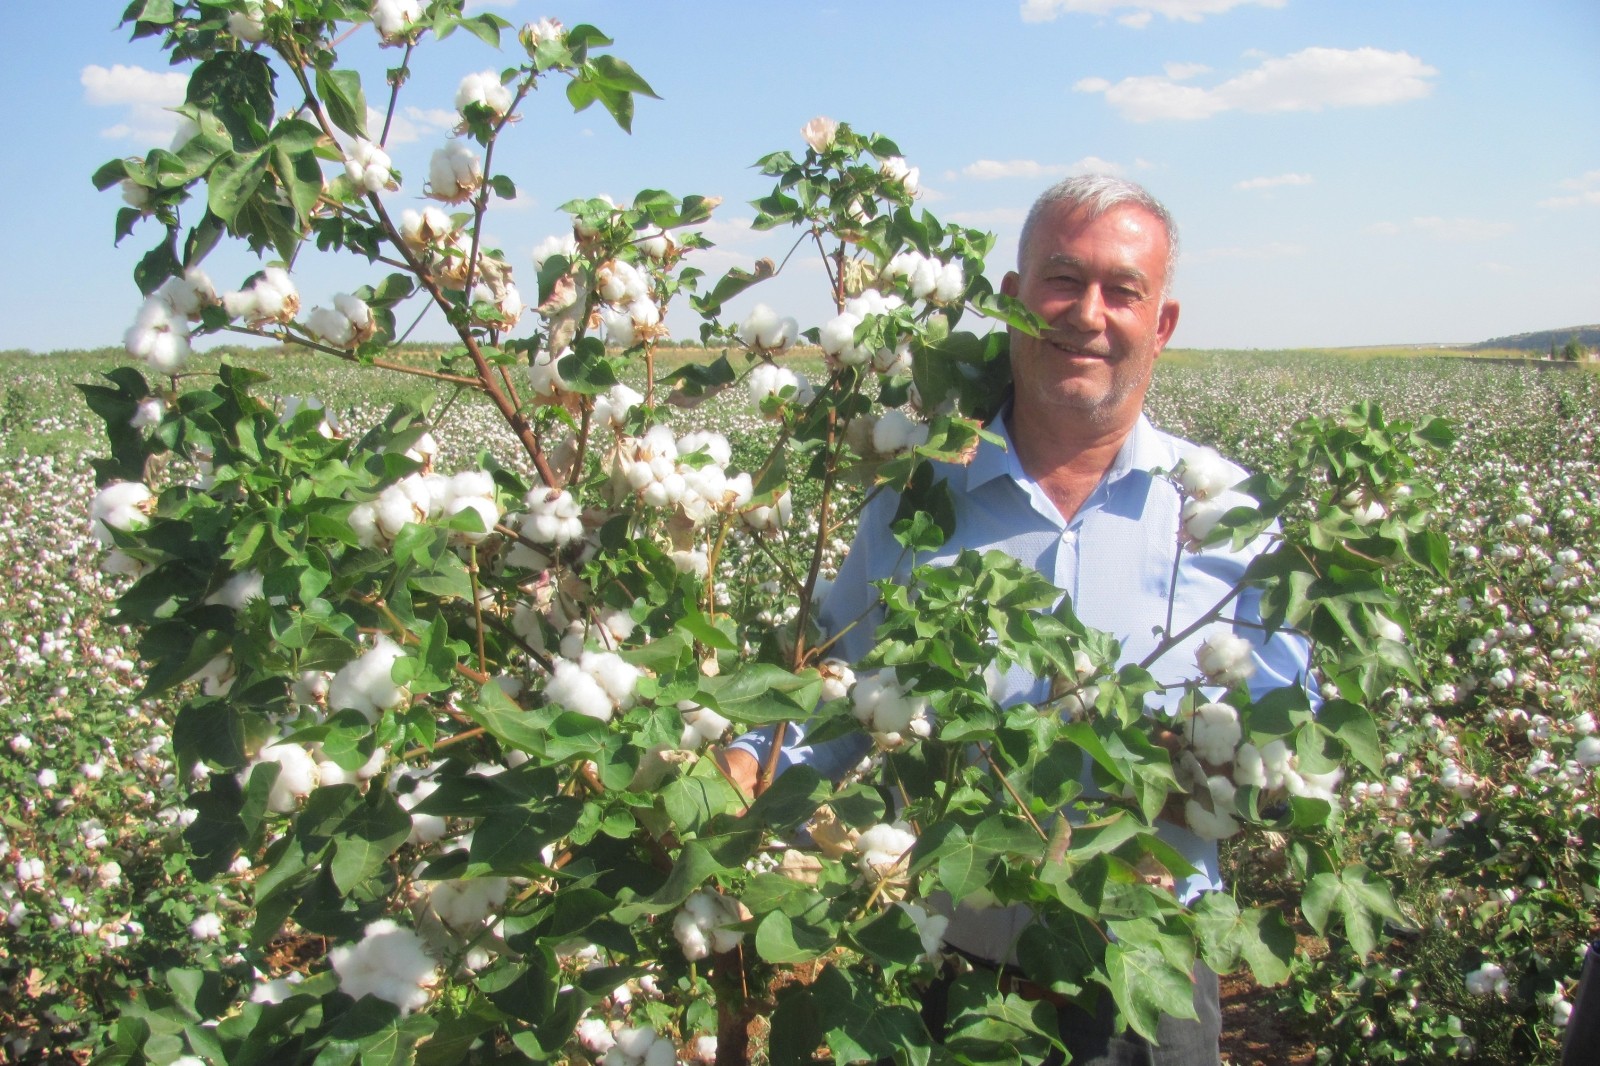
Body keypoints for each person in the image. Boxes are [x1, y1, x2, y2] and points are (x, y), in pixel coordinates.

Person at [723, 175, 1311, 1065]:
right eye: (1061, 282)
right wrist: (739, 768)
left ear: (1163, 324)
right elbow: (835, 689)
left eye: (1124, 291)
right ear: (1012, 302)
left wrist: (1198, 773)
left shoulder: (1235, 516)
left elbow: (1285, 743)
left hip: (1148, 978)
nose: (1089, 313)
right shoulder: (916, 502)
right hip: (947, 970)